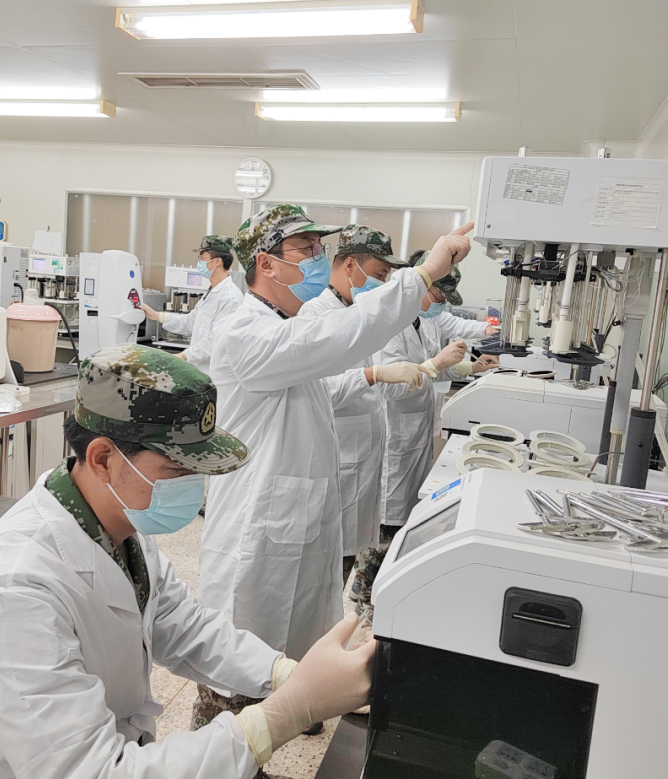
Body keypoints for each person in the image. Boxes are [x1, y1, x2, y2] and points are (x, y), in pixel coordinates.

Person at [0, 344, 375, 779]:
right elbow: (93, 772)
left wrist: (284, 675)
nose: (193, 486)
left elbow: (185, 627)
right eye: (176, 470)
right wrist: (283, 714)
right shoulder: (11, 592)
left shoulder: (116, 523)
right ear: (103, 458)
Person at [194, 203, 475, 731]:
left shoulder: (286, 325)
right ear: (266, 262)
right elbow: (338, 337)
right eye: (305, 249)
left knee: (294, 630)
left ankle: (298, 702)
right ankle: (221, 744)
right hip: (257, 519)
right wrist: (421, 276)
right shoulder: (244, 330)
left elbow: (322, 385)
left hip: (293, 511)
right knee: (238, 656)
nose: (318, 258)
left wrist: (379, 375)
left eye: (319, 247)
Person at [349, 253, 498, 613]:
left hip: (416, 427)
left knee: (405, 514)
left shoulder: (423, 321)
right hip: (395, 433)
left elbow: (433, 369)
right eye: (439, 295)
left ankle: (377, 586)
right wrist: (435, 363)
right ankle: (366, 593)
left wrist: (467, 367)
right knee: (387, 519)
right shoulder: (389, 325)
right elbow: (390, 387)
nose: (442, 303)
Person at [298, 224, 429, 586]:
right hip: (338, 462)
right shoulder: (316, 315)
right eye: (379, 275)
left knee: (345, 562)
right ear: (350, 265)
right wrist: (373, 375)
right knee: (325, 573)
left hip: (360, 461)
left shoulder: (355, 312)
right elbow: (319, 393)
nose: (383, 283)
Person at [138, 235, 243, 376]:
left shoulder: (230, 298)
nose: (199, 262)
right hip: (200, 370)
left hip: (215, 375)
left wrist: (184, 355)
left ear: (217, 261)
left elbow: (217, 340)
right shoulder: (211, 293)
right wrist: (157, 316)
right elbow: (189, 322)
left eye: (202, 258)